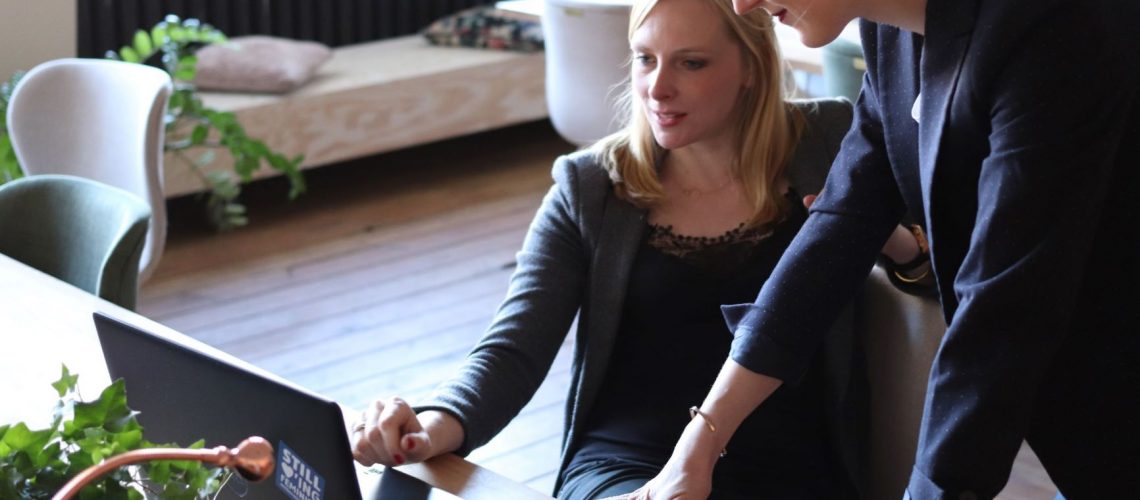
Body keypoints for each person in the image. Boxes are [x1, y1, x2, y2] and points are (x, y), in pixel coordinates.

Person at [351, 0, 926, 498]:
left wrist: (891, 243)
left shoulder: (831, 140)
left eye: (691, 63)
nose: (658, 87)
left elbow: (937, 275)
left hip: (792, 467)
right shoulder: (591, 187)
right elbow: (512, 351)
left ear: (751, 67)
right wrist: (432, 424)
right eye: (645, 59)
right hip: (622, 464)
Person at [620, 0, 1140, 498]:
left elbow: (1003, 312)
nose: (742, 4)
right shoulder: (891, 31)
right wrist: (702, 439)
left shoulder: (1055, 22)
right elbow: (842, 222)